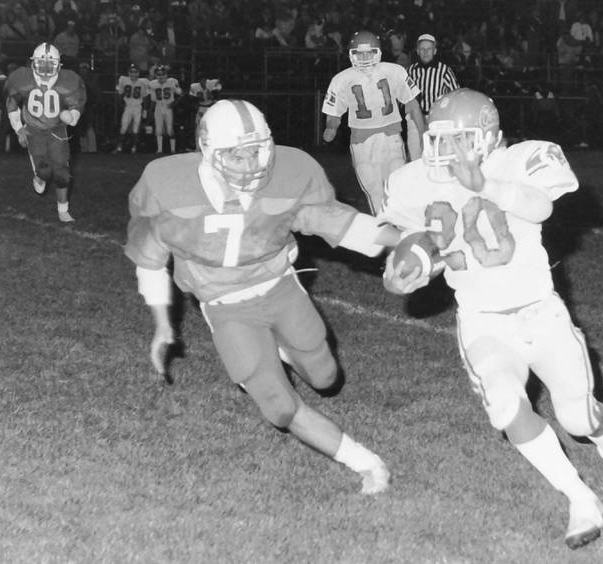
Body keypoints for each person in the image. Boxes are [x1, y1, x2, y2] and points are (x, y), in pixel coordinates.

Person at [380, 88, 603, 549]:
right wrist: (400, 270)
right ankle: (580, 499)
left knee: (579, 418)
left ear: (487, 138)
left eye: (459, 140)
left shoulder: (519, 160)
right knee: (506, 407)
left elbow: (541, 206)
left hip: (542, 313)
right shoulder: (413, 181)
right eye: (440, 139)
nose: (445, 151)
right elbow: (402, 236)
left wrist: (483, 185)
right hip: (483, 320)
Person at [124, 99, 400, 494]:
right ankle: (367, 464)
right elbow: (150, 259)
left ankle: (284, 350)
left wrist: (404, 240)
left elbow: (338, 222)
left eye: (257, 150)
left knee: (325, 377)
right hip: (224, 303)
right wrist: (162, 325)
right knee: (279, 406)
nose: (251, 164)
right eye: (237, 155)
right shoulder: (169, 187)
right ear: (209, 151)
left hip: (279, 283)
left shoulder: (289, 173)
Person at [322, 30, 424, 214]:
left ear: (378, 52)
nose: (364, 57)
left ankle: (403, 226)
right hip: (362, 142)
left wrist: (421, 133)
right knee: (374, 191)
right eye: (359, 53)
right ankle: (384, 229)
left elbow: (412, 105)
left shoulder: (394, 71)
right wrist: (331, 126)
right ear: (351, 54)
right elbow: (334, 112)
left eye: (369, 52)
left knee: (396, 186)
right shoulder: (341, 80)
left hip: (390, 136)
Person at [5, 42, 86, 223]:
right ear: (33, 63)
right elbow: (12, 104)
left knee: (63, 173)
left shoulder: (69, 80)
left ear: (59, 65)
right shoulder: (22, 79)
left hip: (58, 130)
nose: (46, 68)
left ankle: (63, 210)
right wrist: (19, 129)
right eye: (42, 63)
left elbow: (77, 104)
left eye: (51, 64)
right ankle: (40, 177)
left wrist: (72, 116)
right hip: (34, 130)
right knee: (45, 170)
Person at [406, 33, 460, 161]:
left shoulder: (445, 71)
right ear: (418, 51)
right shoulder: (410, 71)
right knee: (416, 157)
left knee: (437, 157)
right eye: (422, 49)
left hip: (437, 121)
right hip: (414, 120)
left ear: (434, 51)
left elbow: (456, 96)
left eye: (429, 49)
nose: (425, 52)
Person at [115, 64, 149, 153]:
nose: (133, 74)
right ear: (128, 72)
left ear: (138, 73)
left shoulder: (143, 82)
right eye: (131, 72)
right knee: (123, 127)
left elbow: (145, 97)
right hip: (128, 106)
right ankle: (119, 146)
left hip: (138, 107)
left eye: (135, 72)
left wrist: (145, 109)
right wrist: (120, 105)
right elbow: (119, 93)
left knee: (136, 128)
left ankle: (134, 147)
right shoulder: (123, 80)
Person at [147, 64, 181, 154]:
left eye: (162, 74)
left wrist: (173, 104)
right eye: (159, 74)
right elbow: (153, 100)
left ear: (166, 74)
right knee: (158, 129)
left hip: (168, 107)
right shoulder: (153, 84)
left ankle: (173, 149)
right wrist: (150, 110)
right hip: (158, 107)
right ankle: (159, 149)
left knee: (170, 129)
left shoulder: (172, 82)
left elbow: (180, 94)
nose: (161, 76)